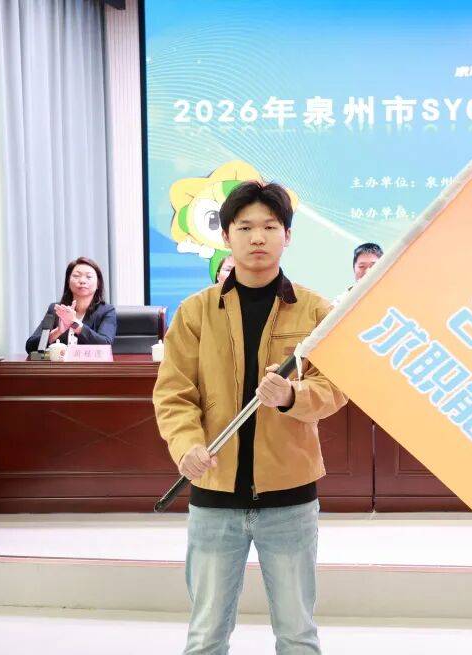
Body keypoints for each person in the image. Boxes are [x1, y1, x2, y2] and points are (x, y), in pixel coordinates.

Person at [153, 181, 346, 654]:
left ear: (287, 236)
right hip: (214, 495)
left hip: (290, 498)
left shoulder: (316, 310)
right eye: (245, 227)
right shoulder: (196, 312)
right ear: (226, 236)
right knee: (206, 636)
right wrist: (186, 445)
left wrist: (293, 395)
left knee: (297, 634)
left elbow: (334, 388)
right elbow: (174, 393)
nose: (258, 237)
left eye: (270, 227)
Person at [25, 256, 116, 353]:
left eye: (89, 277)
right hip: (60, 363)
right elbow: (30, 346)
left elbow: (105, 345)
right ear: (68, 281)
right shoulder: (57, 309)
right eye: (76, 276)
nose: (82, 281)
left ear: (98, 283)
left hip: (89, 363)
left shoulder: (106, 311)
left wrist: (75, 324)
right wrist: (57, 332)